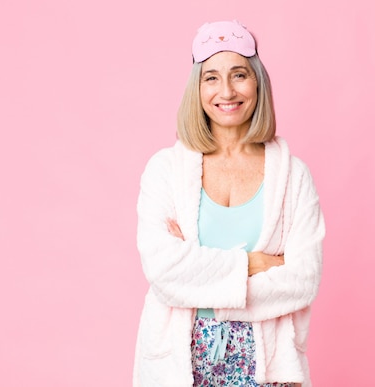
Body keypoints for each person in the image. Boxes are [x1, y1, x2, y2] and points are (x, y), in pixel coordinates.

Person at [133, 20, 325, 387]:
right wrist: (252, 264)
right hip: (180, 364)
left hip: (267, 366)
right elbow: (163, 271)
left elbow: (303, 280)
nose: (226, 91)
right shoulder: (166, 171)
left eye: (239, 74)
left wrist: (200, 275)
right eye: (211, 78)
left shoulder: (293, 176)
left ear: (257, 83)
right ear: (197, 88)